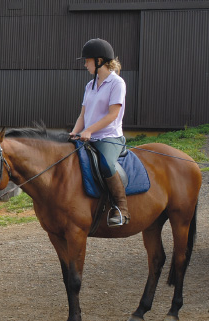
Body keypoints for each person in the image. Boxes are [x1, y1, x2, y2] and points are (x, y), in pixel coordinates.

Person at [69, 38, 129, 227]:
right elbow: (83, 115)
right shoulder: (89, 85)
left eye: (87, 60)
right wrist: (74, 133)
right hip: (88, 135)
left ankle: (121, 208)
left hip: (109, 138)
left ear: (99, 61)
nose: (85, 64)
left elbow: (113, 115)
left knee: (106, 165)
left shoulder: (116, 83)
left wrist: (90, 130)